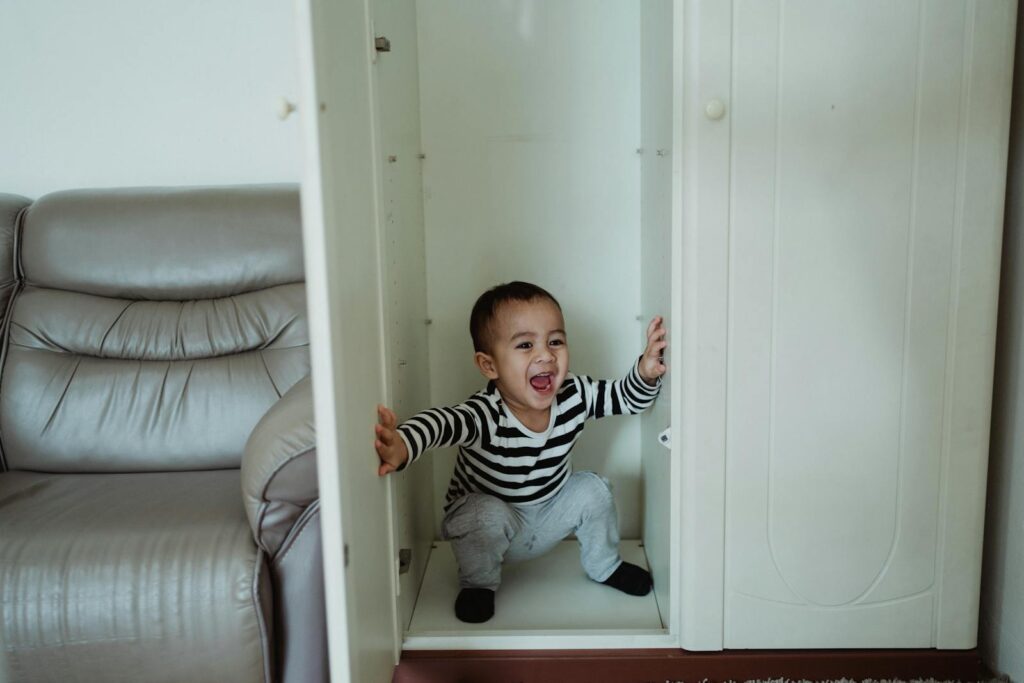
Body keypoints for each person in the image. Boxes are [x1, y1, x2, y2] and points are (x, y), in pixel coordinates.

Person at [374, 281, 667, 623]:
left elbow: (624, 398)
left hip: (547, 517)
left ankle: (605, 565)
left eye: (555, 341)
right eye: (525, 345)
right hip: (491, 529)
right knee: (483, 513)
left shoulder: (574, 393)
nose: (545, 355)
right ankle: (478, 585)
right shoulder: (485, 414)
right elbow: (442, 423)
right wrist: (404, 444)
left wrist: (646, 372)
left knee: (593, 489)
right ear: (489, 366)